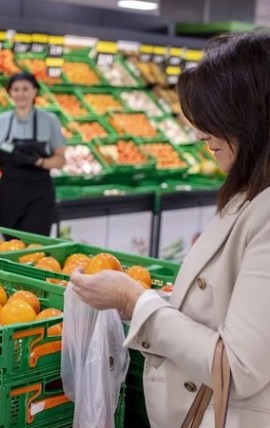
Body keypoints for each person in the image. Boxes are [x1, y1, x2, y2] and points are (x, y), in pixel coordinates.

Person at [69, 32, 270, 427]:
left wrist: (135, 302)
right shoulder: (249, 192)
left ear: (250, 117)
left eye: (212, 118)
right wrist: (180, 303)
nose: (199, 134)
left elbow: (239, 366)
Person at [0, 72, 66, 235]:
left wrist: (39, 162)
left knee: (35, 249)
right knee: (10, 248)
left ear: (35, 91)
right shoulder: (0, 122)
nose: (21, 94)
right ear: (10, 93)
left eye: (26, 89)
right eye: (16, 89)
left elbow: (60, 160)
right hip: (8, 197)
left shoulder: (49, 120)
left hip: (39, 198)